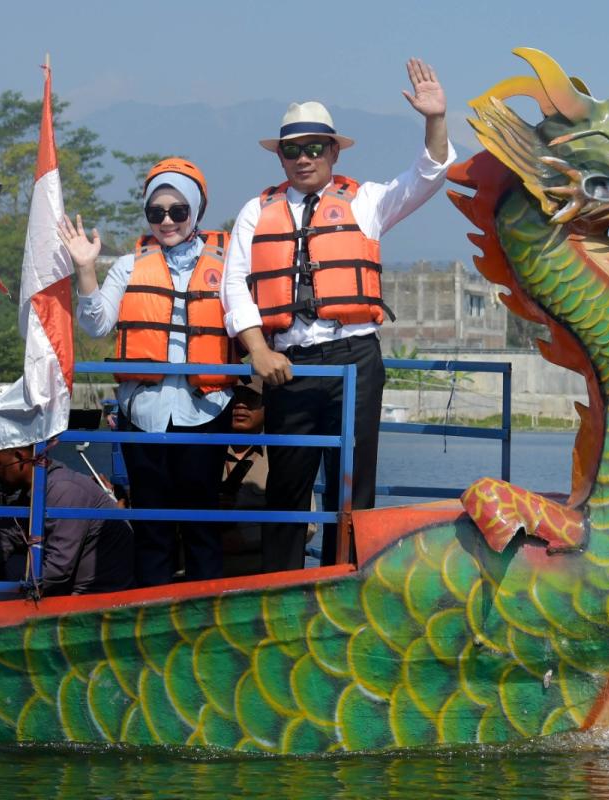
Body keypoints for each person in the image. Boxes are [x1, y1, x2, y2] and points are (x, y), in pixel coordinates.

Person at [221, 58, 454, 572]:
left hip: (355, 360)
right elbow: (234, 285)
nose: (303, 159)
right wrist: (258, 350)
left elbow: (429, 173)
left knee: (353, 484)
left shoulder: (367, 201)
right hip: (289, 364)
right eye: (292, 150)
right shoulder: (256, 212)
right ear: (280, 156)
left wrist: (435, 119)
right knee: (287, 483)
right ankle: (279, 587)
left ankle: (345, 581)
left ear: (332, 151)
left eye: (313, 148)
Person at [58, 159, 238, 586]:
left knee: (201, 525)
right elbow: (97, 323)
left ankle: (203, 615)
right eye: (156, 212)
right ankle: (149, 620)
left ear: (196, 212)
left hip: (206, 410)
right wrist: (85, 268)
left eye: (178, 211)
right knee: (152, 526)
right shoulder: (128, 265)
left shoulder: (229, 264)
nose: (167, 221)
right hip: (144, 413)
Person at [0, 446, 134, 596]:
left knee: (13, 571)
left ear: (20, 457)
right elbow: (10, 535)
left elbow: (58, 568)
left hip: (97, 594)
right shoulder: (35, 487)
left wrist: (13, 589)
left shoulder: (63, 490)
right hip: (75, 585)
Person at [219, 376, 315, 576]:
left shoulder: (283, 457)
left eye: (251, 398)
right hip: (208, 572)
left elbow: (307, 525)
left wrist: (246, 539)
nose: (241, 405)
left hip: (262, 574)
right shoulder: (201, 454)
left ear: (267, 406)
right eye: (235, 397)